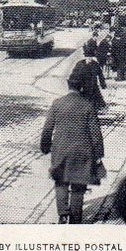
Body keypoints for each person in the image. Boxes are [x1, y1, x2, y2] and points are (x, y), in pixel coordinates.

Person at [40, 65, 105, 224]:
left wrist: (45, 146)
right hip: (82, 153)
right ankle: (75, 220)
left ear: (68, 85)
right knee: (78, 188)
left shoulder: (57, 103)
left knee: (61, 182)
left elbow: (48, 128)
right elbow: (96, 134)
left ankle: (63, 213)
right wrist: (98, 155)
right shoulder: (88, 105)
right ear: (81, 87)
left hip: (61, 150)